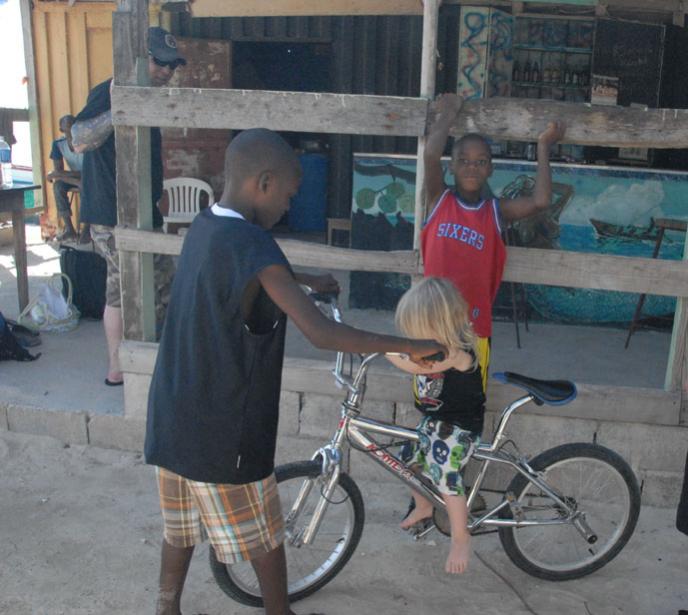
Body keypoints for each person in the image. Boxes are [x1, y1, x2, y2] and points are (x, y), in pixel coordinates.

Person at [144, 128, 445, 615]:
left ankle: (166, 607)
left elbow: (235, 271)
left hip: (172, 412)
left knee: (179, 527)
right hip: (224, 427)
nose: (288, 206)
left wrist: (302, 279)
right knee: (265, 536)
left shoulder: (205, 224)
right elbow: (321, 333)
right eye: (288, 195)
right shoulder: (256, 245)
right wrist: (409, 344)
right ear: (264, 183)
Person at [422, 93, 566, 389]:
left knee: (470, 401)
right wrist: (448, 112)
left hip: (473, 328)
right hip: (431, 324)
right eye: (463, 161)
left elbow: (541, 201)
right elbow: (430, 155)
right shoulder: (439, 199)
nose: (471, 167)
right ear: (451, 166)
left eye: (480, 162)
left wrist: (543, 146)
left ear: (490, 169)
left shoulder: (495, 212)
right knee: (430, 400)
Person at [71, 26, 185, 386]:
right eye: (159, 63)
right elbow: (78, 139)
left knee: (163, 283)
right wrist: (119, 110)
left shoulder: (148, 97)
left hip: (145, 213)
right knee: (123, 289)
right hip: (111, 214)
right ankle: (118, 369)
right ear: (138, 59)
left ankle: (158, 361)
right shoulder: (110, 90)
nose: (166, 71)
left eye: (172, 65)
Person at [386, 276, 484, 575]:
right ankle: (424, 506)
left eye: (415, 331)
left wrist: (378, 347)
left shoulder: (456, 353)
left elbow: (413, 365)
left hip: (459, 428)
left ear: (439, 325)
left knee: (445, 476)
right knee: (406, 461)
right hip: (435, 423)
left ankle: (460, 537)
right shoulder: (429, 347)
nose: (411, 338)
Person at [47, 114, 86, 242]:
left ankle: (87, 228)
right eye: (68, 126)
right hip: (75, 177)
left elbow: (89, 171)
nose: (71, 129)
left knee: (86, 186)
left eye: (73, 125)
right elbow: (59, 172)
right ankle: (70, 229)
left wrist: (58, 174)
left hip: (90, 177)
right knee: (58, 186)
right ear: (61, 130)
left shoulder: (86, 141)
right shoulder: (58, 144)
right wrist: (75, 181)